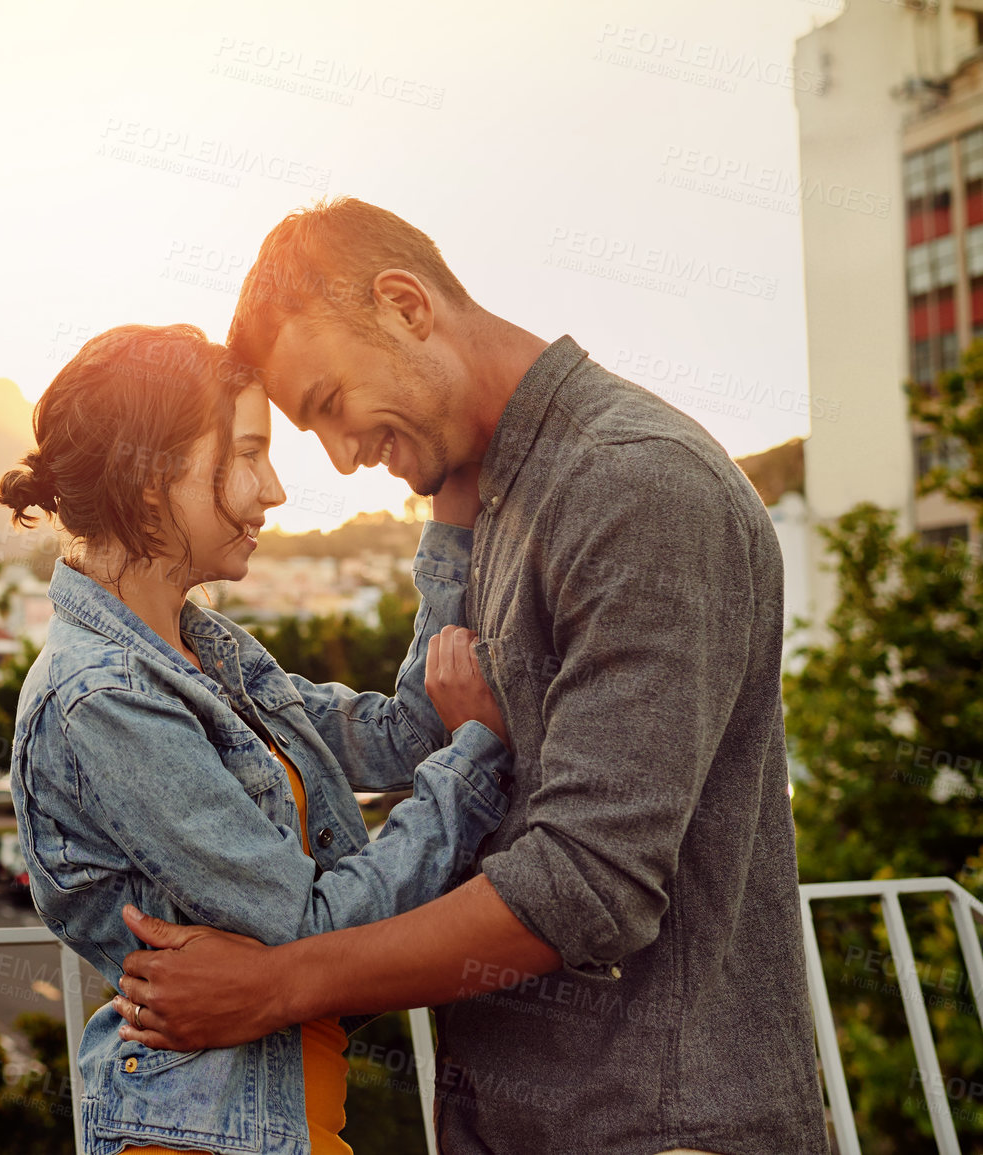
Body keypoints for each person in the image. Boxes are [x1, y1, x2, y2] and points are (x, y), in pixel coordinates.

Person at [107, 197, 828, 1155]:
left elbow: (587, 884)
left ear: (406, 307)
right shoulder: (498, 496)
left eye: (327, 405)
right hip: (528, 1116)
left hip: (652, 1122)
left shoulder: (635, 486)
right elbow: (424, 740)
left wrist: (281, 984)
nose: (340, 456)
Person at [0, 322, 513, 1155]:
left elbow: (399, 732)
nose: (272, 489)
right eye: (246, 454)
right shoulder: (101, 699)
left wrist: (450, 517)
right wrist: (475, 756)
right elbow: (308, 926)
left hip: (280, 1124)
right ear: (151, 475)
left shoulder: (206, 654)